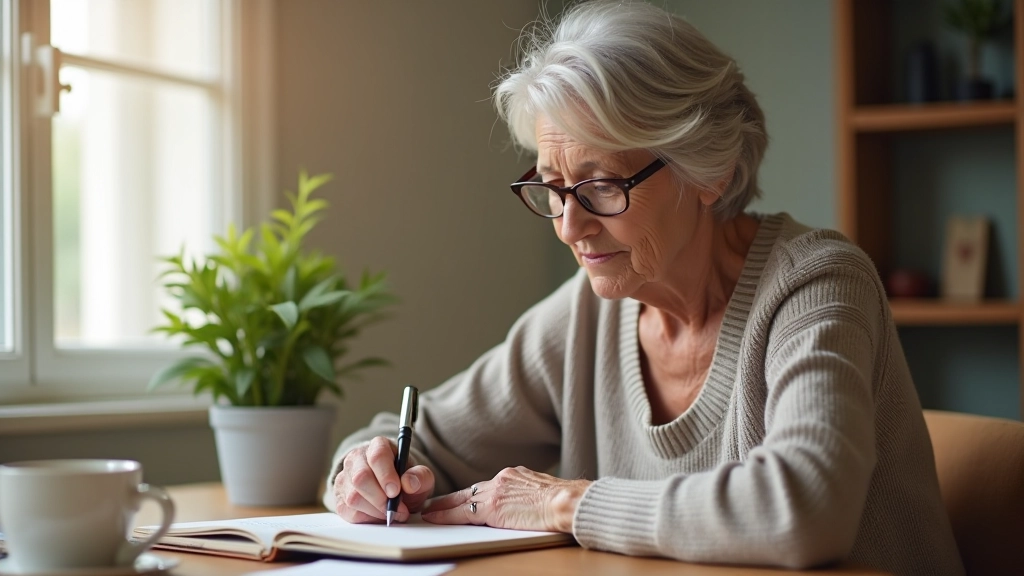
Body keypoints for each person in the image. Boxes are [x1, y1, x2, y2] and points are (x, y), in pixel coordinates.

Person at [323, 2, 965, 574]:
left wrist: (560, 501)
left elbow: (803, 507)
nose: (571, 226)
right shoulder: (583, 317)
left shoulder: (817, 284)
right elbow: (418, 434)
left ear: (710, 170)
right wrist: (362, 473)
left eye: (603, 185)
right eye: (552, 186)